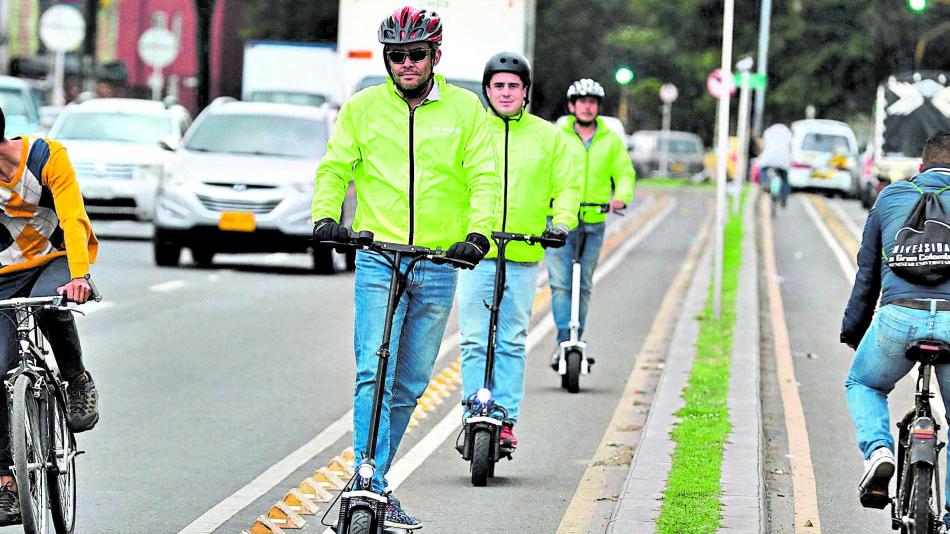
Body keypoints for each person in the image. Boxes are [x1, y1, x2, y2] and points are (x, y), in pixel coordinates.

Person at [310, 6, 499, 530]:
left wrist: (478, 235)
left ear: (435, 55)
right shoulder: (363, 108)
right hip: (377, 256)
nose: (406, 63)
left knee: (412, 381)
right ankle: (367, 475)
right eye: (397, 55)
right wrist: (326, 216)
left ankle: (377, 478)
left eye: (417, 54)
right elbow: (334, 166)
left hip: (439, 263)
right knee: (374, 366)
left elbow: (485, 177)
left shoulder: (466, 110)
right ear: (387, 58)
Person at [457, 52, 580, 451]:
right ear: (487, 90)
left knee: (510, 340)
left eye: (513, 85)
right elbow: (449, 182)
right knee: (475, 338)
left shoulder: (549, 137)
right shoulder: (471, 131)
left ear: (525, 91)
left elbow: (566, 188)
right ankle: (474, 408)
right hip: (477, 252)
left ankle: (506, 418)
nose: (506, 92)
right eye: (498, 85)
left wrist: (560, 223)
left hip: (524, 254)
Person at [842, 131, 950, 527]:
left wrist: (854, 332)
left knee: (864, 384)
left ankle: (879, 453)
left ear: (920, 168)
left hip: (898, 317)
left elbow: (867, 274)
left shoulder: (891, 197)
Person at [0, 108, 100, 525]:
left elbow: (73, 220)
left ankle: (76, 379)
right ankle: (7, 479)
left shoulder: (46, 158)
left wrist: (79, 276)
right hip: (4, 272)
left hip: (54, 262)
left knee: (53, 304)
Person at [547, 78, 635, 364]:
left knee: (583, 283)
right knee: (561, 283)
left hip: (594, 220)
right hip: (560, 220)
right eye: (581, 101)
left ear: (598, 107)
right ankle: (563, 339)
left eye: (592, 102)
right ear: (572, 106)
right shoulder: (556, 135)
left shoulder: (610, 139)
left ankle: (577, 336)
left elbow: (624, 172)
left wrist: (620, 196)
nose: (587, 106)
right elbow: (542, 168)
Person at [757, 123, 792, 207]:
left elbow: (763, 146)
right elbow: (791, 147)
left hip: (768, 158)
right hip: (783, 160)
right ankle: (784, 197)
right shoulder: (788, 133)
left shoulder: (767, 132)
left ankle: (764, 182)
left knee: (763, 170)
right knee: (785, 179)